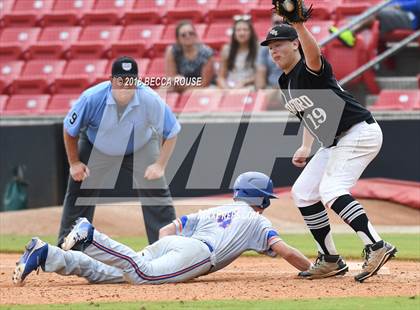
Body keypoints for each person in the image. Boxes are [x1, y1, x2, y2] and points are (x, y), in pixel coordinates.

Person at [260, 23, 397, 282]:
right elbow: (309, 113)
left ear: (295, 44)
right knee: (303, 193)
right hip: (333, 142)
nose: (274, 51)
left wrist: (299, 25)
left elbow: (313, 54)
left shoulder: (311, 69)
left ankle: (377, 246)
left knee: (332, 190)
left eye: (279, 45)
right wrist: (306, 146)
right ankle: (331, 259)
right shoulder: (284, 80)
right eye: (270, 47)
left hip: (358, 131)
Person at [13, 172, 311, 286]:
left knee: (111, 273)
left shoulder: (220, 207)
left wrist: (168, 251)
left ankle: (47, 255)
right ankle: (91, 236)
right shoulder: (257, 220)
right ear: (262, 199)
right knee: (142, 275)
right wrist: (310, 267)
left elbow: (169, 229)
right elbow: (284, 251)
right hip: (198, 253)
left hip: (177, 243)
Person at [57, 56, 180, 247]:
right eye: (120, 80)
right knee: (78, 188)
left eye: (130, 80)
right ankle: (69, 248)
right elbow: (69, 129)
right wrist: (74, 163)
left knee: (156, 190)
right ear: (111, 80)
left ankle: (168, 247)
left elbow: (171, 131)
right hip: (96, 145)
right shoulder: (92, 98)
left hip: (140, 146)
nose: (125, 85)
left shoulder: (149, 98)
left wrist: (159, 165)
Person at [165, 20, 215, 92]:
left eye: (191, 33)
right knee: (165, 88)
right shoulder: (172, 51)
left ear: (195, 35)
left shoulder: (206, 53)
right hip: (179, 85)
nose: (188, 36)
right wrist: (176, 80)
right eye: (183, 35)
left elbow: (205, 83)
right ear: (178, 39)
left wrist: (185, 86)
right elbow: (171, 77)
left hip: (202, 87)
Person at [217, 15, 259, 90]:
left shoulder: (259, 49)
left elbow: (261, 75)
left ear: (251, 32)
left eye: (245, 30)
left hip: (249, 86)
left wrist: (244, 82)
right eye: (238, 30)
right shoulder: (226, 49)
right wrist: (227, 89)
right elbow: (221, 77)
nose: (242, 33)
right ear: (234, 33)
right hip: (229, 86)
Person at [256, 13, 284, 89]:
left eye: (285, 22)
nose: (281, 26)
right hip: (271, 89)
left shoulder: (300, 45)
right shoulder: (265, 47)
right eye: (277, 23)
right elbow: (260, 76)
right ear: (272, 25)